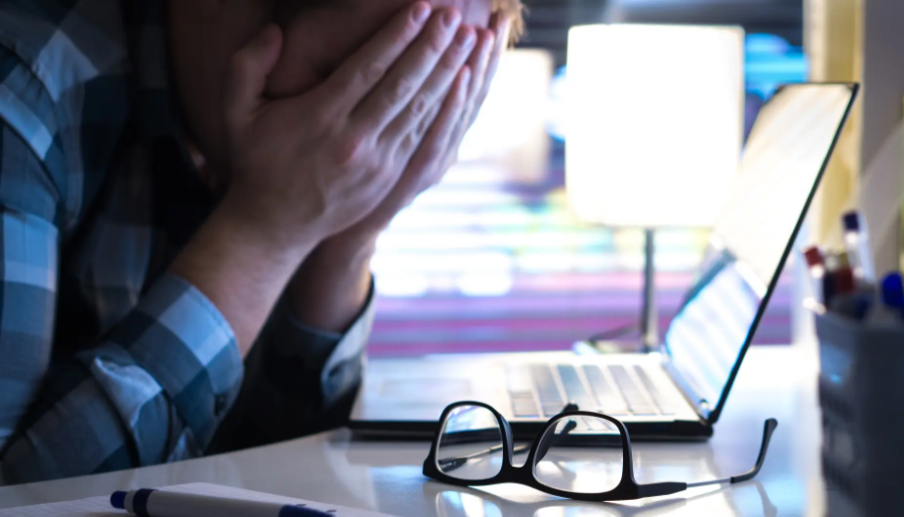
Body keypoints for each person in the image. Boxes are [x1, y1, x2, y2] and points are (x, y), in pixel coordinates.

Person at [0, 0, 522, 484]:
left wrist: (348, 240)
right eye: (365, 88)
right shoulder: (23, 92)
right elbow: (18, 496)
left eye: (425, 105)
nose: (367, 149)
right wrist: (262, 232)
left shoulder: (310, 165)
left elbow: (271, 478)